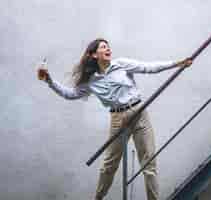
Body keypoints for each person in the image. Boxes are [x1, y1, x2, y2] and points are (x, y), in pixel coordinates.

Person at [37, 38, 192, 200]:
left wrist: (177, 63)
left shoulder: (121, 64)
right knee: (109, 165)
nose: (108, 48)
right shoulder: (91, 81)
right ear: (94, 55)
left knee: (149, 164)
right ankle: (97, 198)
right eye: (103, 47)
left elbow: (148, 67)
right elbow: (70, 94)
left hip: (139, 114)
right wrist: (50, 81)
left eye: (108, 46)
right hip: (118, 119)